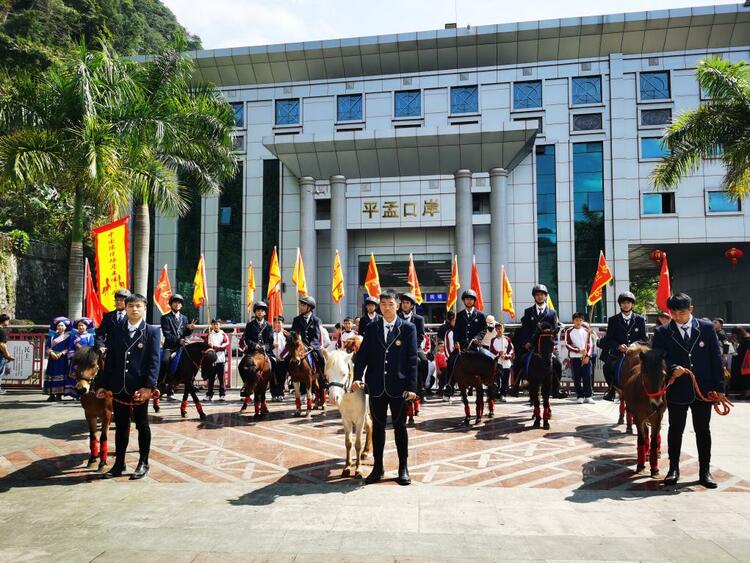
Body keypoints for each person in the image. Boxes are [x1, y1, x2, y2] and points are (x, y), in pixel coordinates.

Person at [651, 293, 727, 489]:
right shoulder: (662, 332)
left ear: (691, 310)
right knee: (676, 429)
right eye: (673, 312)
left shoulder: (707, 328)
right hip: (678, 389)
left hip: (704, 389)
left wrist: (719, 388)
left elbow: (716, 359)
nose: (677, 316)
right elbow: (659, 358)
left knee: (703, 430)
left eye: (682, 312)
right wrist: (671, 367)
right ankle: (673, 469)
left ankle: (705, 471)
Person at [352, 289, 418, 486]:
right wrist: (357, 377)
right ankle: (378, 468)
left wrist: (412, 387)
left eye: (390, 304)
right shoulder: (372, 328)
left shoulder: (407, 328)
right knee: (378, 429)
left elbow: (412, 360)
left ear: (397, 305)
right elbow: (362, 356)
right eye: (383, 305)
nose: (386, 308)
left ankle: (403, 468)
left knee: (400, 428)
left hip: (399, 388)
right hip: (377, 387)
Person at [97, 293, 160, 480]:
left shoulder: (152, 332)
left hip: (139, 389)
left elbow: (154, 362)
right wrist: (103, 385)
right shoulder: (117, 330)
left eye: (138, 306)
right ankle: (119, 463)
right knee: (121, 425)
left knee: (142, 424)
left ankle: (143, 462)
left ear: (144, 309)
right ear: (126, 307)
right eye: (131, 305)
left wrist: (149, 387)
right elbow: (111, 360)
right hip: (118, 387)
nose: (134, 309)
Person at [513, 284, 564, 398]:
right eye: (537, 295)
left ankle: (556, 389)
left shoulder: (552, 313)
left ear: (545, 296)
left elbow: (554, 329)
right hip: (531, 345)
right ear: (534, 297)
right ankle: (515, 386)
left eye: (542, 294)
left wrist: (552, 340)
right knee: (518, 362)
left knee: (558, 364)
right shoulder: (528, 311)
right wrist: (526, 342)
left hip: (546, 346)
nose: (540, 297)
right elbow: (525, 329)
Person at [600, 291, 648, 401]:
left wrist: (634, 345)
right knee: (607, 367)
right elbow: (609, 338)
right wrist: (618, 346)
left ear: (632, 304)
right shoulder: (613, 320)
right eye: (623, 303)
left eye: (628, 302)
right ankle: (611, 390)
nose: (626, 305)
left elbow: (644, 338)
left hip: (635, 351)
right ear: (620, 304)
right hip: (619, 352)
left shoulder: (640, 319)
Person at [160, 294, 195, 398]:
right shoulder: (165, 317)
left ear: (181, 305)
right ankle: (161, 383)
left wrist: (190, 329)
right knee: (165, 361)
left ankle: (177, 385)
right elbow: (167, 334)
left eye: (179, 302)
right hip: (170, 347)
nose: (177, 304)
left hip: (182, 347)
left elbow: (186, 333)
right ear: (171, 304)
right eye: (175, 302)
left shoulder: (184, 318)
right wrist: (178, 340)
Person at [398, 292, 427, 416]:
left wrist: (413, 346)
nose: (405, 305)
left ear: (411, 305)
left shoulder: (418, 319)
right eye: (403, 303)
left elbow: (421, 335)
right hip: (399, 347)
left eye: (407, 303)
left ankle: (423, 386)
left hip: (415, 347)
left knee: (424, 361)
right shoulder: (397, 317)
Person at [290, 296, 325, 377]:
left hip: (312, 346)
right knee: (287, 359)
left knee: (321, 358)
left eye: (303, 305)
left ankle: (322, 378)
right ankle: (290, 379)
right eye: (300, 305)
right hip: (299, 346)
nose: (300, 307)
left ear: (309, 307)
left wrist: (312, 346)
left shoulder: (316, 320)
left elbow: (316, 336)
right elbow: (292, 333)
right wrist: (295, 336)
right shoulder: (296, 319)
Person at [565, 313, 594, 403]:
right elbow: (567, 344)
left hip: (586, 358)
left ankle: (588, 396)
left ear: (583, 321)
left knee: (587, 377)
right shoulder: (569, 331)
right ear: (573, 321)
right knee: (577, 377)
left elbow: (590, 344)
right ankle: (580, 396)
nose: (578, 322)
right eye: (576, 320)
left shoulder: (586, 330)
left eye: (580, 320)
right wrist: (578, 350)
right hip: (575, 358)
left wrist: (588, 356)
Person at [66, 317, 95, 399]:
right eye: (79, 326)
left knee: (84, 375)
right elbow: (70, 348)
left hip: (85, 360)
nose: (80, 327)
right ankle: (75, 394)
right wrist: (73, 356)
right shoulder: (74, 337)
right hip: (76, 359)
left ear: (86, 327)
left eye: (82, 325)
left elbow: (91, 347)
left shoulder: (90, 336)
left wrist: (81, 348)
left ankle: (85, 392)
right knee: (75, 376)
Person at [44, 317, 70, 401]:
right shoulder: (52, 336)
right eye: (59, 325)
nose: (60, 327)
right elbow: (47, 347)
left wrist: (61, 353)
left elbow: (68, 348)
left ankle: (59, 394)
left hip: (62, 359)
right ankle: (51, 394)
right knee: (51, 375)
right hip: (52, 358)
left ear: (65, 327)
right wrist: (51, 353)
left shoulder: (68, 337)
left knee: (61, 376)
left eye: (62, 326)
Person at [204, 319, 228, 401]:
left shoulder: (223, 334)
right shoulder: (210, 334)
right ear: (212, 325)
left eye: (217, 324)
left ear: (220, 325)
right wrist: (209, 345)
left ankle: (222, 394)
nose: (215, 326)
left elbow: (224, 345)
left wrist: (214, 347)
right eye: (214, 324)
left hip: (220, 359)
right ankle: (209, 394)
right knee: (211, 378)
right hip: (211, 360)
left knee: (221, 378)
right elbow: (206, 345)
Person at [490, 323, 515, 402]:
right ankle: (496, 394)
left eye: (500, 328)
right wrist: (498, 354)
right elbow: (491, 350)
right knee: (497, 380)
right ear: (496, 330)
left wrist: (506, 356)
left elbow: (511, 350)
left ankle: (503, 394)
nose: (499, 330)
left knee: (505, 380)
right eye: (497, 329)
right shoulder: (493, 340)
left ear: (503, 329)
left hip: (506, 363)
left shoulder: (507, 339)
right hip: (497, 363)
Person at [270, 315, 289, 400]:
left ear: (282, 324)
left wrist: (282, 355)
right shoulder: (270, 334)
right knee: (272, 377)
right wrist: (273, 346)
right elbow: (267, 345)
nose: (277, 324)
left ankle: (280, 393)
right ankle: (274, 393)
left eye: (279, 322)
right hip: (272, 359)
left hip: (283, 359)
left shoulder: (286, 334)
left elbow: (289, 346)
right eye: (275, 322)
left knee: (282, 377)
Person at [730, 326, 750, 398]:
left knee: (746, 378)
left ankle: (747, 394)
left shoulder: (747, 339)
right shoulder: (745, 338)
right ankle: (744, 393)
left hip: (745, 361)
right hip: (742, 361)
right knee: (743, 377)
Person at [0, 313, 15, 395]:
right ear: (4, 321)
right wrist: (8, 355)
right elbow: (2, 345)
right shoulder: (2, 331)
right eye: (8, 320)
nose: (8, 322)